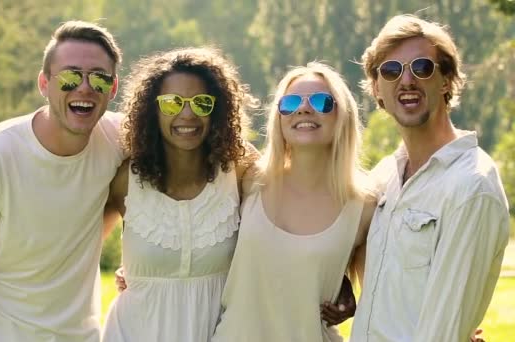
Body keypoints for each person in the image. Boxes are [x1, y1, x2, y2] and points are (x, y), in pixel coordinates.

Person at [0, 21, 124, 341]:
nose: (85, 88)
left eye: (99, 78)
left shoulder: (117, 139)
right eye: (70, 76)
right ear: (44, 83)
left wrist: (141, 266)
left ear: (112, 89)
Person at [350, 14, 510, 342]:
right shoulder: (384, 177)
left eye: (422, 67)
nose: (406, 80)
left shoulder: (472, 185)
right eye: (391, 70)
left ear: (446, 81)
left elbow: (445, 330)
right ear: (378, 89)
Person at [101, 47, 258, 342]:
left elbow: (289, 216)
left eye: (201, 103)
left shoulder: (239, 169)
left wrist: (336, 278)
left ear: (218, 110)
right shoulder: (125, 180)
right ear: (152, 110)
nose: (187, 114)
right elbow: (79, 249)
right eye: (172, 103)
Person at [211, 62, 376, 342]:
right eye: (290, 103)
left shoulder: (364, 206)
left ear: (343, 115)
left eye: (322, 102)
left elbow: (383, 296)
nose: (303, 109)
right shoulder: (248, 177)